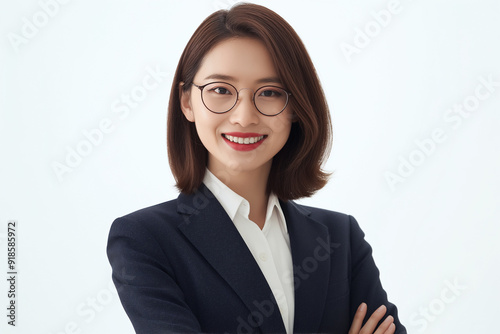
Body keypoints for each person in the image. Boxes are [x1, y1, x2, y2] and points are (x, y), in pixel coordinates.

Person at [107, 3, 406, 334]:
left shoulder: (341, 238)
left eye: (270, 92)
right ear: (187, 101)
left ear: (295, 108)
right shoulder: (144, 240)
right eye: (220, 90)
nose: (244, 116)